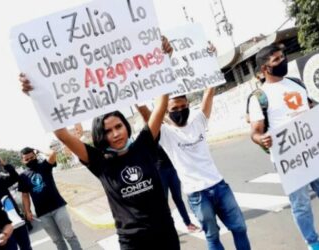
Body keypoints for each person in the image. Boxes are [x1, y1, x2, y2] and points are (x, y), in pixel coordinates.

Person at [19, 37, 180, 250]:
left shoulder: (144, 145)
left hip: (166, 235)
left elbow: (160, 106)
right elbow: (63, 135)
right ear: (100, 136)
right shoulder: (98, 161)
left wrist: (165, 60)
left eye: (118, 127)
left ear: (126, 126)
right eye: (107, 131)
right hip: (133, 242)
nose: (115, 134)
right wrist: (37, 95)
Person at [137, 89, 251, 250]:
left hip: (220, 186)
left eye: (183, 106)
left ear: (188, 105)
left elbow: (208, 93)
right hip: (198, 195)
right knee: (212, 236)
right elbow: (147, 115)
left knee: (240, 228)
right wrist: (135, 98)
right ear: (166, 112)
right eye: (174, 109)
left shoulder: (199, 121)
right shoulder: (165, 133)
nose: (180, 111)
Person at [248, 43, 319, 250]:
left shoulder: (296, 83)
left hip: (314, 151)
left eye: (282, 57)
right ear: (264, 69)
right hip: (290, 160)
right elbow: (255, 131)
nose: (283, 61)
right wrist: (261, 139)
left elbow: (310, 108)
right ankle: (313, 242)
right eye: (276, 60)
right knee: (301, 205)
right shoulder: (259, 97)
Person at [18, 147, 82, 250]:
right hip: (42, 213)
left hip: (58, 207)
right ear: (22, 161)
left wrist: (39, 150)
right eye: (27, 159)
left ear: (35, 156)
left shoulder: (44, 166)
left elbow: (53, 153)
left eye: (32, 157)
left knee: (69, 235)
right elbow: (25, 195)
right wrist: (27, 211)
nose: (30, 160)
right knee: (57, 240)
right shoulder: (23, 176)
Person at [156, 145, 199, 232]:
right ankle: (168, 227)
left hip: (172, 169)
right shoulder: (150, 137)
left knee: (178, 198)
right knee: (164, 202)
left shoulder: (166, 134)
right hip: (160, 171)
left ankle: (188, 223)